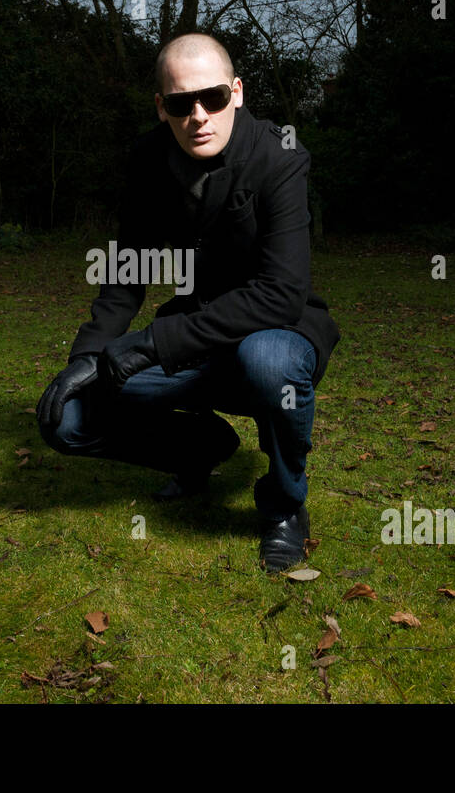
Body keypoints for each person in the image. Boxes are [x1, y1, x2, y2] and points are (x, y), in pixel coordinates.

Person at [37, 33, 340, 573]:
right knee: (67, 419)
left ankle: (285, 506)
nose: (199, 115)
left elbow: (281, 291)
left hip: (274, 334)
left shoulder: (280, 158)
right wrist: (86, 358)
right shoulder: (147, 159)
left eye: (214, 98)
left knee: (267, 363)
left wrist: (153, 343)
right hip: (193, 341)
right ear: (162, 107)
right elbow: (127, 273)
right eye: (181, 103)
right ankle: (197, 450)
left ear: (238, 92)